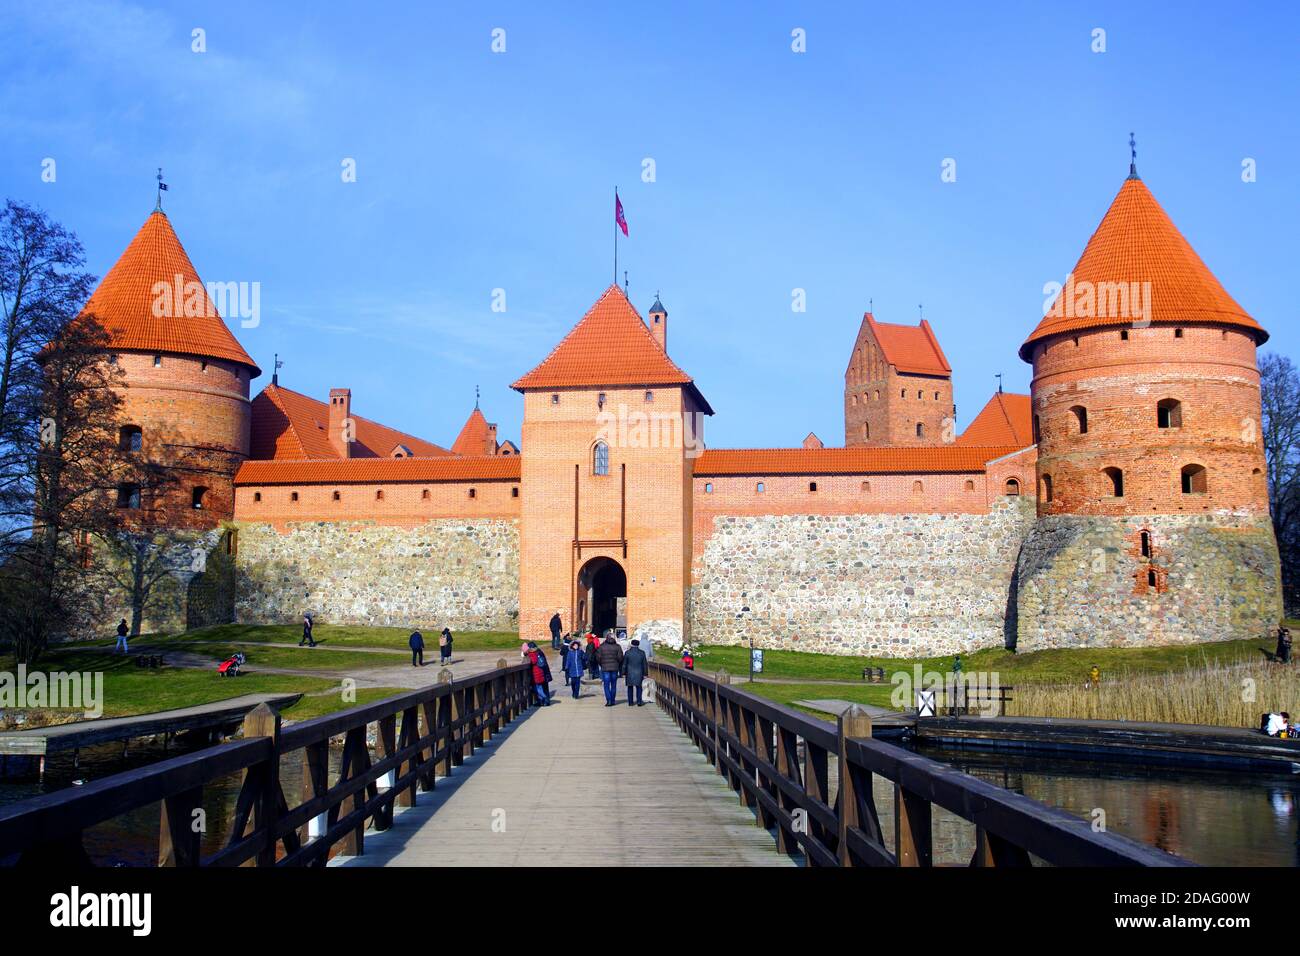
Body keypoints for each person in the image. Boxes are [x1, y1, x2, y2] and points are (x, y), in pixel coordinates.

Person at [597, 629, 624, 706]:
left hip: (605, 668)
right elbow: (620, 658)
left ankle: (608, 700)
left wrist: (601, 664)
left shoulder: (602, 647)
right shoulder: (617, 647)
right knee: (613, 685)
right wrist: (617, 664)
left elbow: (598, 657)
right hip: (615, 668)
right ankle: (612, 700)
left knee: (606, 685)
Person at [622, 638, 648, 707]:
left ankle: (630, 702)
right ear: (638, 645)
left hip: (629, 672)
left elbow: (624, 664)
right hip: (639, 672)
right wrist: (645, 674)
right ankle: (639, 701)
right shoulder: (642, 653)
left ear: (631, 644)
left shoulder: (627, 652)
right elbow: (644, 664)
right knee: (639, 687)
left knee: (630, 688)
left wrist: (623, 673)